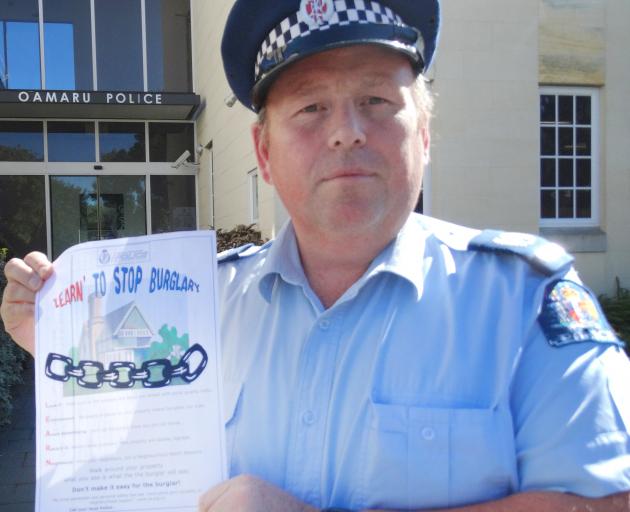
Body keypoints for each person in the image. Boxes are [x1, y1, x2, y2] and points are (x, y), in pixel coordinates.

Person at [2, 0, 630, 511]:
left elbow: (605, 502)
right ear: (265, 154)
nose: (346, 130)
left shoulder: (525, 300)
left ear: (427, 134)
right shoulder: (200, 304)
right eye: (310, 107)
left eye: (377, 101)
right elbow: (133, 451)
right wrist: (60, 343)